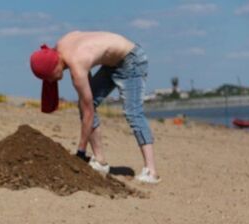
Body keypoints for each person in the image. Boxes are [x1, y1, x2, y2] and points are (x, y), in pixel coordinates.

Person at [30, 31, 160, 184]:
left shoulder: (76, 65)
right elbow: (88, 67)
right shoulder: (60, 48)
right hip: (110, 64)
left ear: (55, 66)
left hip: (131, 60)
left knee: (133, 112)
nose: (51, 81)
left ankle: (151, 171)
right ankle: (100, 161)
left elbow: (88, 112)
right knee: (84, 104)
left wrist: (81, 151)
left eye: (49, 76)